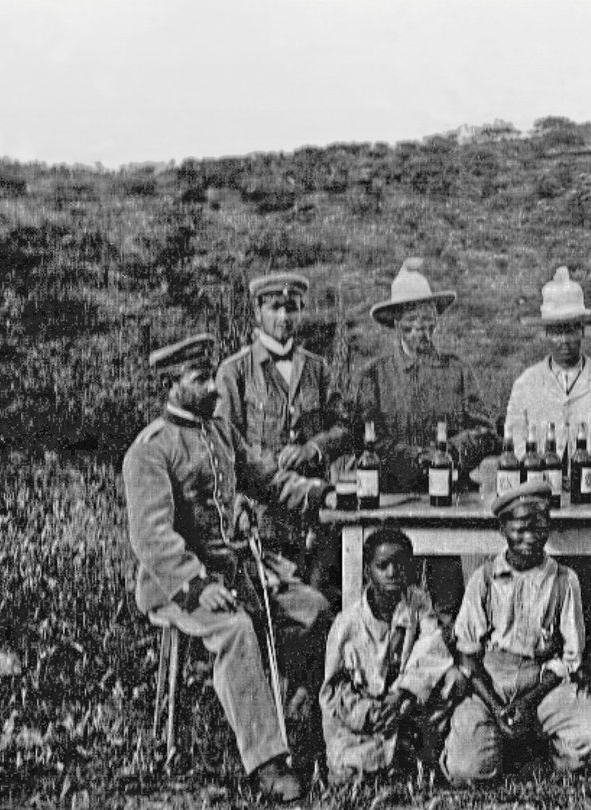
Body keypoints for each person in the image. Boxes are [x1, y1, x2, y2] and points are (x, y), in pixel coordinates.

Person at [122, 333, 331, 801]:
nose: (215, 388)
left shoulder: (218, 431)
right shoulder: (150, 450)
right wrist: (197, 587)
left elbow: (266, 478)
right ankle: (267, 762)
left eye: (213, 376)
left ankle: (299, 715)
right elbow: (152, 539)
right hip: (175, 584)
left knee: (315, 608)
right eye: (200, 379)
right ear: (172, 387)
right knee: (236, 630)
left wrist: (318, 493)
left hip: (237, 568)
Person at [355, 258, 499, 624]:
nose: (420, 330)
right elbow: (369, 438)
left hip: (447, 502)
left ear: (436, 321)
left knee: (447, 601)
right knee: (391, 599)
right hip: (393, 501)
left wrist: (451, 451)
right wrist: (416, 457)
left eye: (426, 321)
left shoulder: (456, 370)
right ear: (396, 324)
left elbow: (485, 430)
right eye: (411, 323)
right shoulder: (375, 376)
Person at [442, 481, 591, 783]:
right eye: (520, 529)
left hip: (541, 683)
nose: (530, 538)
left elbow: (570, 657)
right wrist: (497, 708)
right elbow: (468, 656)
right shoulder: (484, 580)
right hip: (490, 685)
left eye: (539, 528)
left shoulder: (563, 580)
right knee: (465, 769)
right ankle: (500, 742)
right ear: (502, 529)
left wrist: (528, 701)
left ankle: (535, 748)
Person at [506, 266, 591, 643]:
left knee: (582, 579)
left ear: (583, 331)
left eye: (572, 329)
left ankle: (588, 652)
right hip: (540, 500)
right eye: (557, 330)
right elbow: (515, 438)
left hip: (588, 498)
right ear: (546, 333)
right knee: (538, 579)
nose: (565, 340)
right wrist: (542, 475)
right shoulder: (527, 383)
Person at [216, 271, 350, 589]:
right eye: (275, 307)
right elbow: (223, 451)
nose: (283, 316)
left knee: (321, 602)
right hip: (263, 517)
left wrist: (313, 448)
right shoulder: (234, 372)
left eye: (291, 308)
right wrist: (236, 507)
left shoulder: (318, 369)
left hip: (316, 516)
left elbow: (345, 429)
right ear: (257, 312)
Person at [320, 527, 460, 783]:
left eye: (400, 565)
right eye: (382, 566)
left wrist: (402, 694)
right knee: (351, 767)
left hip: (405, 702)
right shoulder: (348, 624)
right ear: (367, 572)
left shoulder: (417, 603)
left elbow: (432, 646)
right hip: (367, 717)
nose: (392, 573)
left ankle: (412, 750)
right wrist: (371, 713)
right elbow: (334, 690)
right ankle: (394, 756)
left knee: (453, 679)